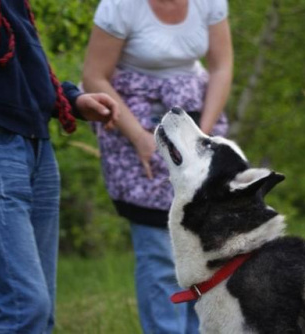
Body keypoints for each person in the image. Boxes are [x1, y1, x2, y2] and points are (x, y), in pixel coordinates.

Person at [0, 1, 120, 333]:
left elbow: (24, 70)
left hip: (35, 144)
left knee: (39, 315)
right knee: (25, 309)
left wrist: (72, 99)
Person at [82, 0, 233, 332]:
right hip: (136, 125)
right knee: (160, 254)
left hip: (196, 121)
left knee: (205, 250)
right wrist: (140, 137)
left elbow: (221, 66)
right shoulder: (120, 6)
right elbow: (93, 75)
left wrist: (203, 137)